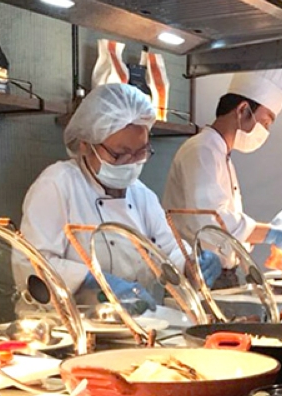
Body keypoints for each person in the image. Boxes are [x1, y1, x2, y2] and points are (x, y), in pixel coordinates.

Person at [20, 83, 216, 310]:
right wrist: (92, 280)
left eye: (141, 151)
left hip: (134, 323)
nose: (131, 163)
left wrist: (192, 265)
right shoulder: (56, 185)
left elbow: (170, 250)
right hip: (63, 326)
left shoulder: (142, 195)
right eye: (120, 154)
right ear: (85, 145)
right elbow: (31, 265)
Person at [163, 70, 282, 268]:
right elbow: (212, 221)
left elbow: (229, 231)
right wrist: (270, 232)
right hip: (199, 274)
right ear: (242, 110)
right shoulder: (202, 149)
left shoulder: (222, 154)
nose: (265, 131)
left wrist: (258, 234)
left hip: (223, 273)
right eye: (265, 122)